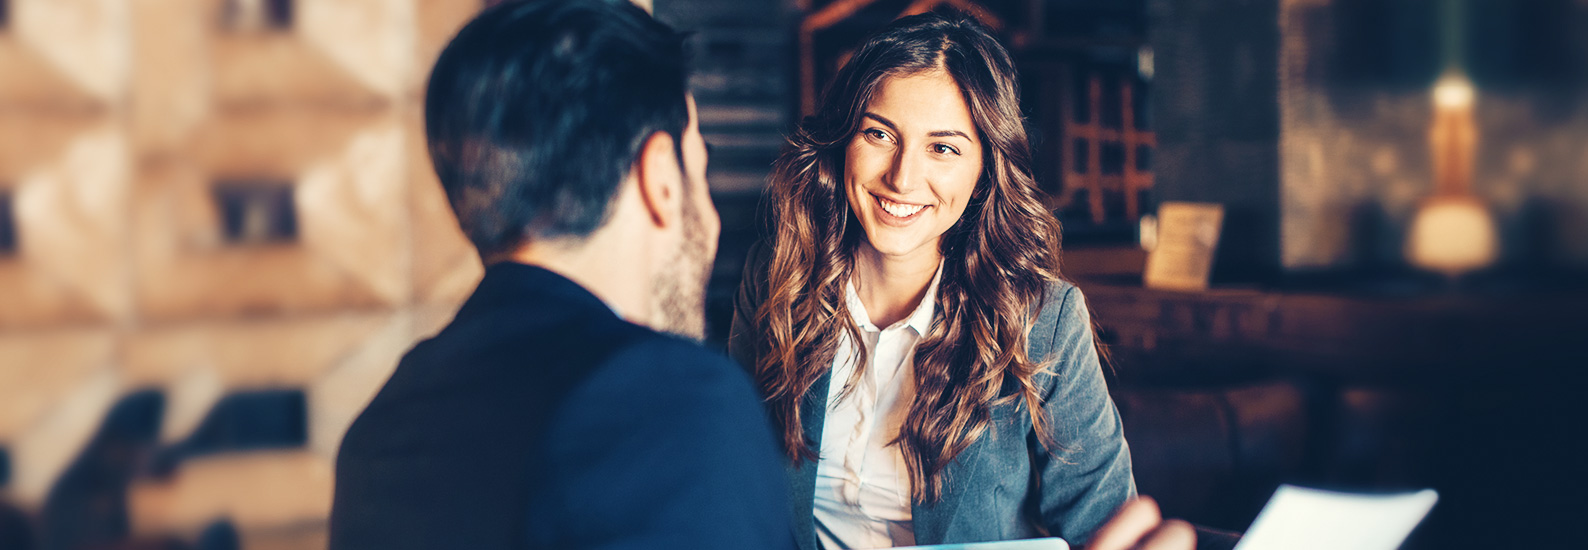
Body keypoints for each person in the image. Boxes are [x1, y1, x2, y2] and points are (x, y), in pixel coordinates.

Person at [330, 1, 793, 548]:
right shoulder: (671, 402)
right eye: (701, 165)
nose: (710, 220)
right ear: (662, 178)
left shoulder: (382, 427)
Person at [729, 12, 1194, 550]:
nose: (902, 177)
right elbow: (729, 477)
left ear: (983, 172)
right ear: (842, 142)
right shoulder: (777, 277)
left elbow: (1106, 524)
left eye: (942, 147)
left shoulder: (1043, 318)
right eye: (879, 134)